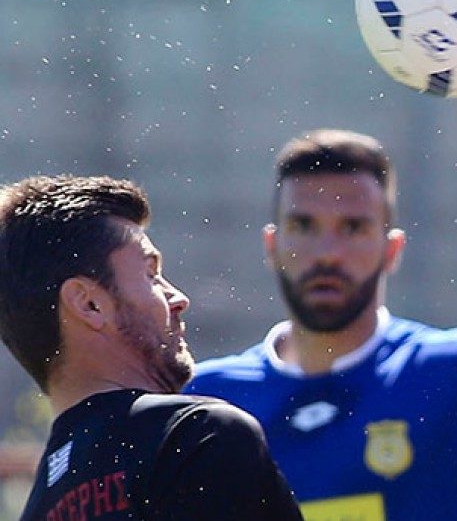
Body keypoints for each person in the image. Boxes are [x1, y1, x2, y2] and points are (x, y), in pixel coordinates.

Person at [185, 129, 457, 520]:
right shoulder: (206, 401)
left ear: (392, 249)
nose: (327, 253)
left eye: (353, 227)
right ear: (272, 246)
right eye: (304, 225)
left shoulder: (454, 370)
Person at [0, 175, 303, 521]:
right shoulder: (196, 437)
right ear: (89, 305)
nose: (179, 298)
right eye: (151, 274)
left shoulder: (39, 507)